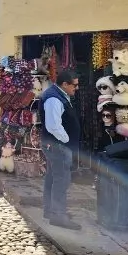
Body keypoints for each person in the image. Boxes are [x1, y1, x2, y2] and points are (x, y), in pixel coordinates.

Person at [39, 70, 82, 230]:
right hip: (58, 146)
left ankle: (51, 211)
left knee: (53, 178)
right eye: (74, 85)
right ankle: (58, 215)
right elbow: (53, 126)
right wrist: (66, 140)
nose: (76, 88)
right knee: (61, 180)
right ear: (65, 84)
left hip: (56, 145)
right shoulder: (53, 98)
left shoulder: (59, 95)